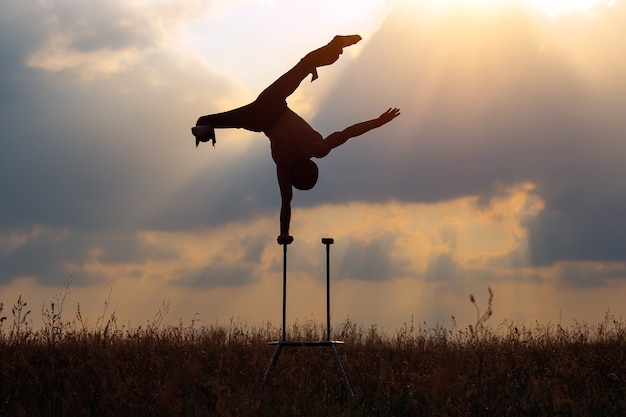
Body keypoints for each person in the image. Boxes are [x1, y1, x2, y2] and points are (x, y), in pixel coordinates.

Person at [192, 35, 400, 244]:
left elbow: (348, 133)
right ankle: (204, 127)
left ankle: (335, 46)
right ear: (294, 176)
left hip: (273, 102)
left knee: (305, 65)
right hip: (257, 119)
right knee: (219, 120)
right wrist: (283, 233)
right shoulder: (284, 165)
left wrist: (379, 122)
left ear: (311, 165)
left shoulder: (318, 148)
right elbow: (286, 202)